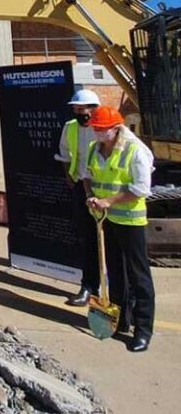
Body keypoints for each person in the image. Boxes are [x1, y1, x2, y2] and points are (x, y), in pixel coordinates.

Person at [85, 106, 155, 353]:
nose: (97, 133)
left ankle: (143, 330)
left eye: (102, 129)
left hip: (130, 222)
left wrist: (109, 201)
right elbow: (88, 176)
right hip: (106, 220)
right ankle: (120, 319)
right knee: (114, 272)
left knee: (138, 276)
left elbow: (141, 188)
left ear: (116, 129)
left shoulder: (134, 151)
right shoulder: (95, 149)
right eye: (95, 128)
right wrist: (91, 196)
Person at [55, 89, 101, 306]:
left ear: (94, 108)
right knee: (87, 240)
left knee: (107, 243)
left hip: (104, 192)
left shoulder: (104, 129)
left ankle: (110, 290)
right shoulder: (71, 128)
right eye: (75, 109)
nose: (78, 113)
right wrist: (68, 176)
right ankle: (88, 286)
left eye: (81, 109)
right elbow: (64, 153)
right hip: (81, 189)